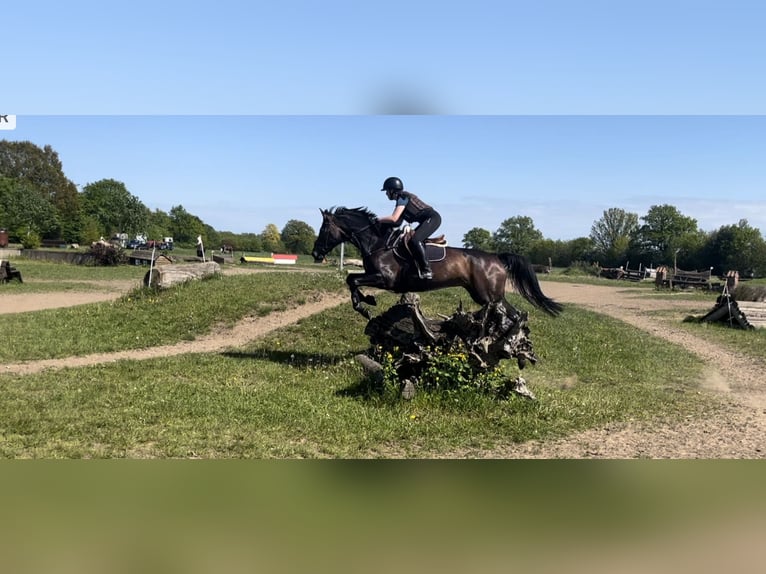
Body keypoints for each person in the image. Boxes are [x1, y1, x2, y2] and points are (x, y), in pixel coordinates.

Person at [377, 176, 441, 280]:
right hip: (428, 220)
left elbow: (394, 218)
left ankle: (426, 270)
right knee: (406, 241)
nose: (386, 194)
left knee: (415, 240)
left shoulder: (402, 198)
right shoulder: (401, 200)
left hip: (432, 218)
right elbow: (397, 223)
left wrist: (377, 220)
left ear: (392, 190)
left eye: (387, 191)